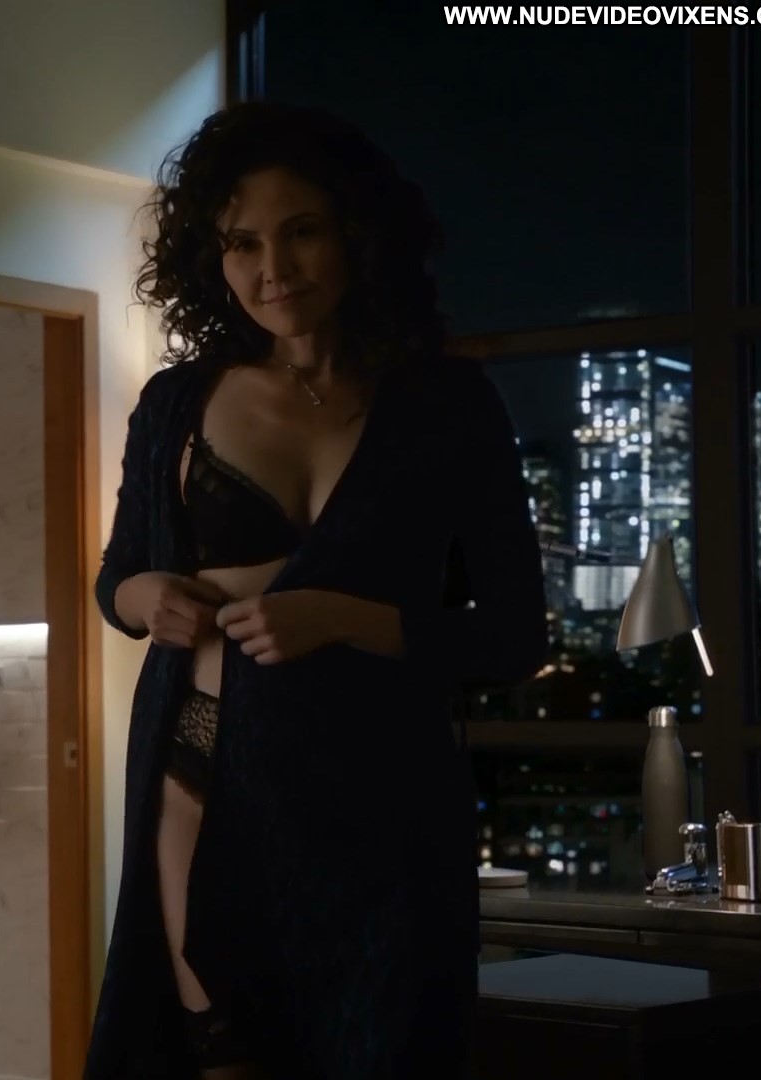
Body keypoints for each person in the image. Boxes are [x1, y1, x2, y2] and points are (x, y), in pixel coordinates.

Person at [83, 101, 550, 1078]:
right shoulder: (175, 405)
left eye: (301, 232)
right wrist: (144, 598)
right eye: (242, 243)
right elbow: (116, 581)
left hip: (388, 808)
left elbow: (513, 636)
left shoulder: (450, 406)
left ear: (357, 235)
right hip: (203, 779)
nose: (274, 268)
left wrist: (345, 618)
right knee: (220, 1054)